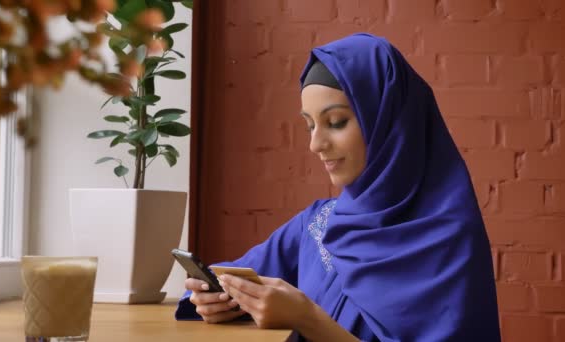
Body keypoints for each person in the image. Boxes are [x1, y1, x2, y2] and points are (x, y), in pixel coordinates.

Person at [176, 33, 501, 341]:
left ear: (387, 123)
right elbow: (232, 275)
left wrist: (307, 318)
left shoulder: (450, 240)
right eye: (309, 126)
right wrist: (213, 299)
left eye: (336, 122)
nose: (316, 144)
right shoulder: (319, 224)